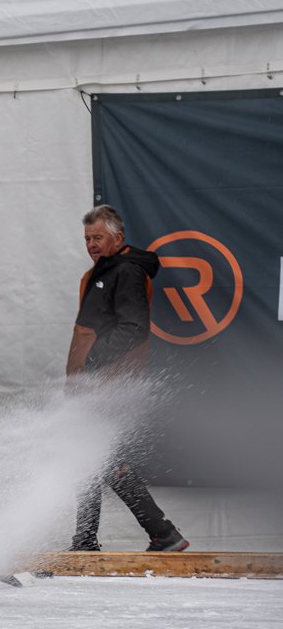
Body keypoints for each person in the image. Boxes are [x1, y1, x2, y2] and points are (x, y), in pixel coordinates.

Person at [66, 205, 188, 552]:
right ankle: (89, 540)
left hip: (110, 383)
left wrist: (92, 363)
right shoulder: (103, 271)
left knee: (102, 458)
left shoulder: (126, 271)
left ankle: (162, 533)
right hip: (95, 383)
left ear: (118, 237)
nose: (91, 244)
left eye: (98, 237)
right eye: (87, 239)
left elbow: (134, 327)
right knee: (91, 457)